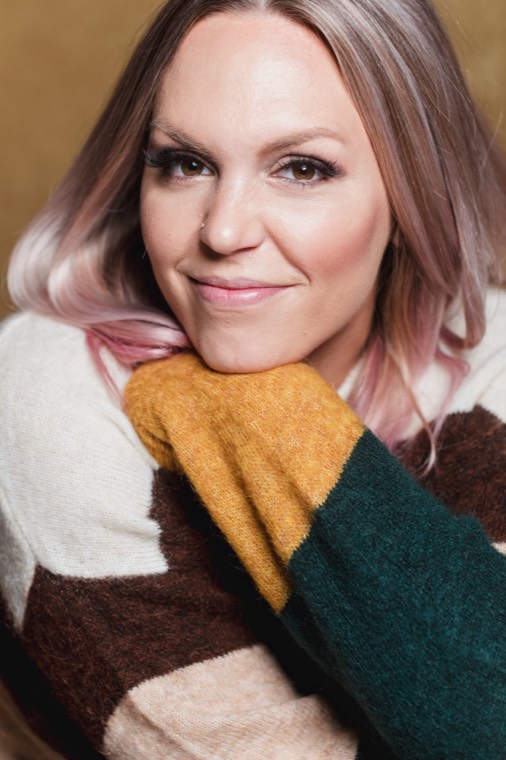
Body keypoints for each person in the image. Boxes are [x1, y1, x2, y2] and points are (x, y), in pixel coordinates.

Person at [0, 0, 505, 758]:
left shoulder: (486, 355)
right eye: (186, 163)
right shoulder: (49, 391)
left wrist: (249, 407)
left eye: (302, 169)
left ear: (412, 198)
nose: (223, 230)